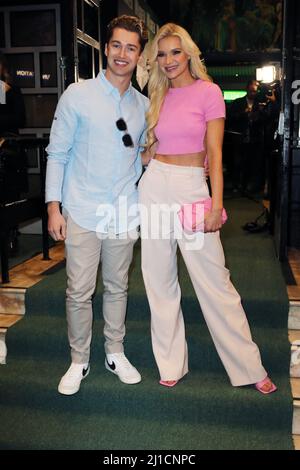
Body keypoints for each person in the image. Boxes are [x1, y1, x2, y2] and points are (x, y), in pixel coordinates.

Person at [139, 23, 276, 394]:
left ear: (189, 54)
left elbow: (214, 154)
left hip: (191, 190)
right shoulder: (156, 95)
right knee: (158, 278)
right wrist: (146, 154)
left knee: (215, 281)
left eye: (175, 52)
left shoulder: (209, 92)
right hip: (154, 185)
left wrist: (216, 204)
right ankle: (170, 363)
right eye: (162, 54)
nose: (168, 61)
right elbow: (148, 146)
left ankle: (249, 367)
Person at [45, 16, 149, 395]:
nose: (123, 54)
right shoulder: (78, 94)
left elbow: (137, 156)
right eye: (117, 45)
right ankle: (79, 359)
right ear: (106, 48)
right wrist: (54, 207)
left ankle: (115, 352)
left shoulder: (143, 105)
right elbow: (56, 153)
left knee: (118, 287)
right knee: (78, 290)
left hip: (124, 210)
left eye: (131, 48)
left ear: (139, 55)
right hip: (82, 208)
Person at [0, 51, 26, 255]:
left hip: (8, 153)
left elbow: (18, 119)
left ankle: (10, 237)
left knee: (9, 197)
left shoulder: (12, 90)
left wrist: (1, 91)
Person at [227, 80, 266, 194]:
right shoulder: (238, 103)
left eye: (255, 91)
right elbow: (230, 118)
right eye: (251, 91)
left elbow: (265, 120)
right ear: (247, 90)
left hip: (255, 139)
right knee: (238, 163)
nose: (253, 93)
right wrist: (243, 113)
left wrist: (258, 115)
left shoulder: (260, 104)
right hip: (239, 138)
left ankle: (249, 186)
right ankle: (237, 185)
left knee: (253, 163)